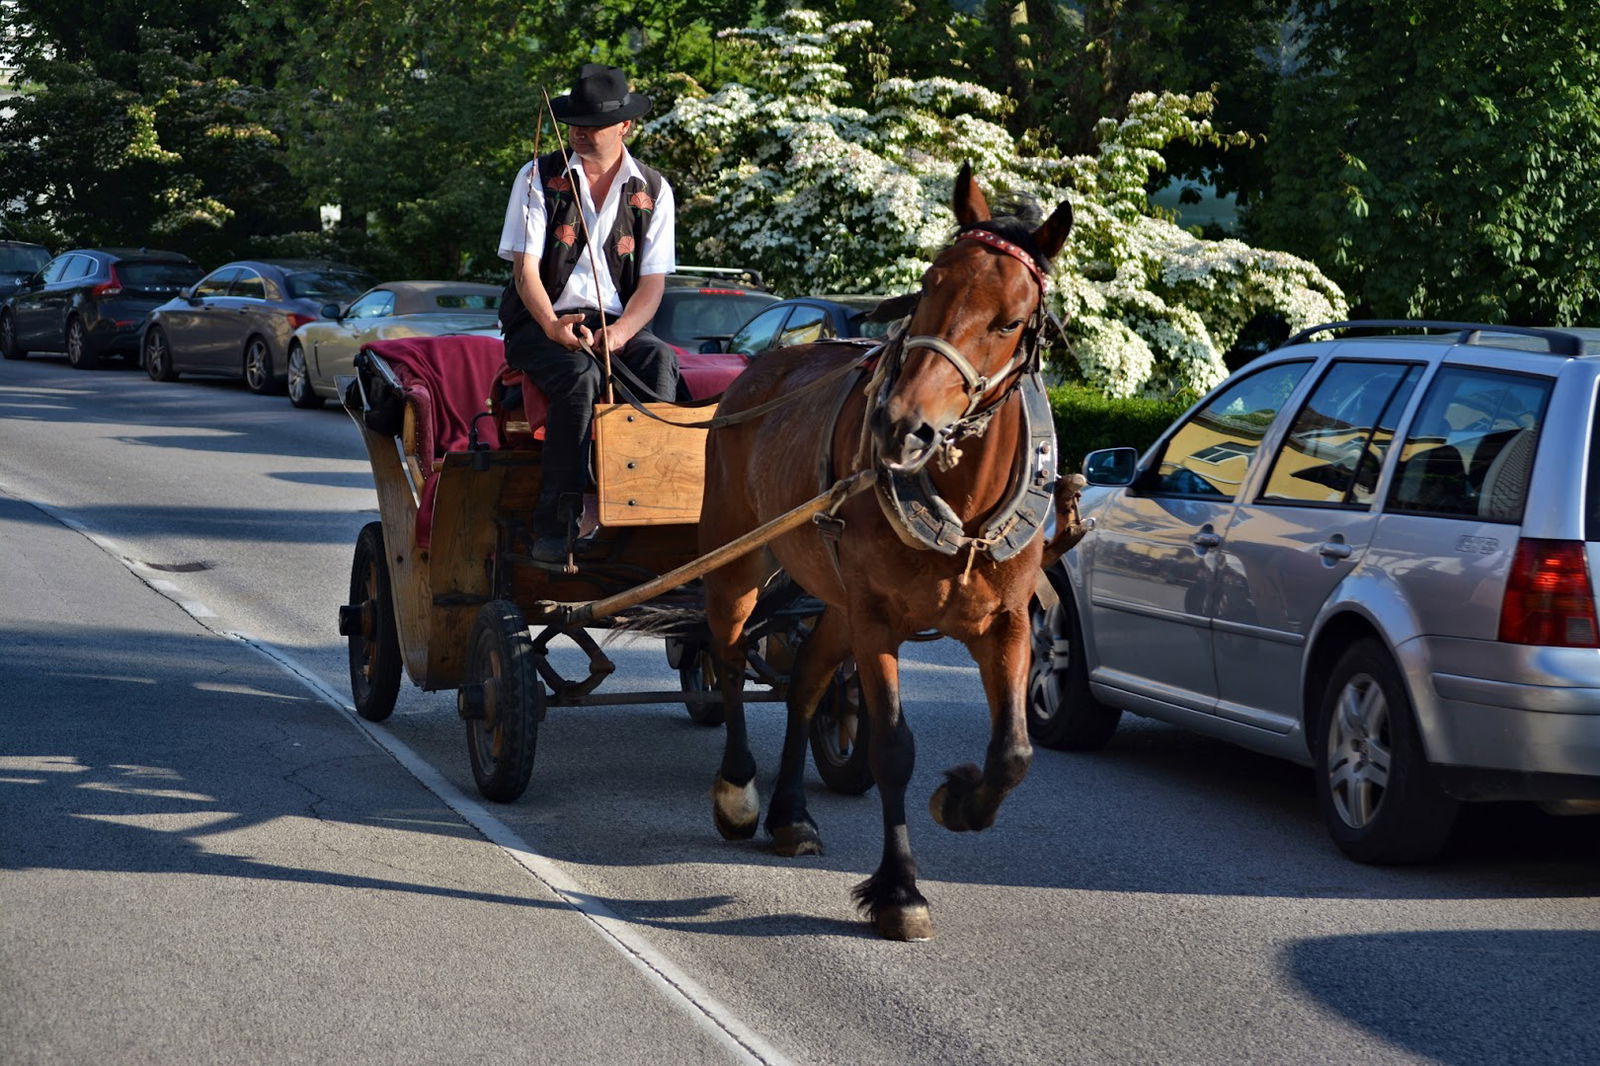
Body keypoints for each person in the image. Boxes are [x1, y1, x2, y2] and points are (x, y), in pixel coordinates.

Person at [497, 63, 680, 563]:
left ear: (624, 126)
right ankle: (554, 525)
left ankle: (651, 506)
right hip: (540, 321)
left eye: (592, 123)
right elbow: (525, 273)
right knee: (577, 378)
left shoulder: (654, 189)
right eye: (573, 121)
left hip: (613, 324)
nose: (579, 131)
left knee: (660, 362)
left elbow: (652, 285)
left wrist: (620, 334)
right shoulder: (537, 176)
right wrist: (554, 326)